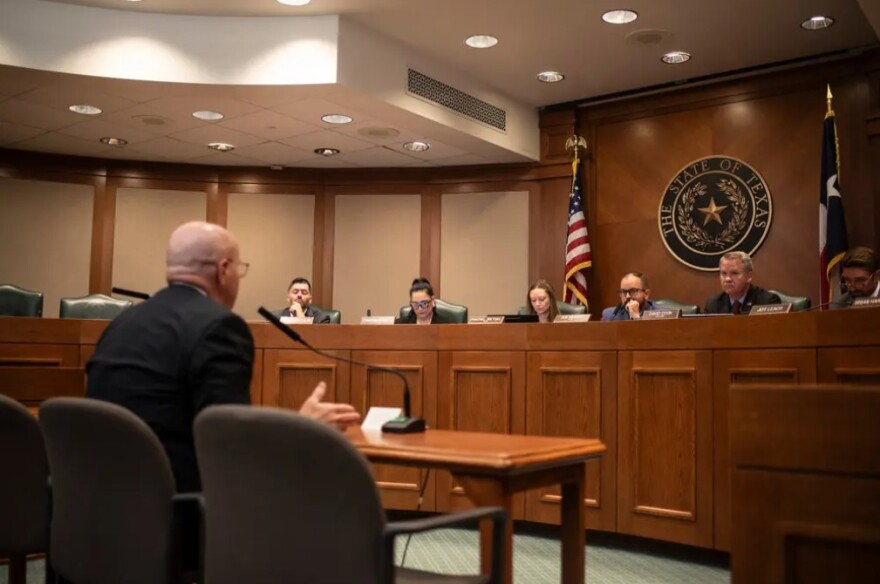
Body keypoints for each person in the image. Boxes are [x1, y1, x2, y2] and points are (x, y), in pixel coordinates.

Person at [86, 222, 359, 493]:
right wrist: (302, 428)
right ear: (224, 270)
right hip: (181, 517)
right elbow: (231, 450)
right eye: (239, 269)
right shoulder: (219, 327)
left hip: (102, 509)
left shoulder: (121, 323)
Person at [704, 251, 780, 315]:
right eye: (724, 273)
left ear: (749, 276)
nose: (727, 279)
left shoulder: (767, 302)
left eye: (734, 273)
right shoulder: (713, 304)